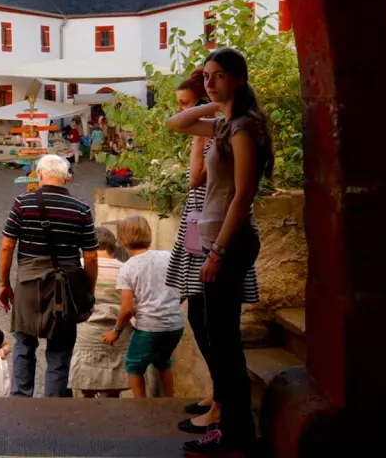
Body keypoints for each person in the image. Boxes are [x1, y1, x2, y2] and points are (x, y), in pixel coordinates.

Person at [166, 47, 273, 456]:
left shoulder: (244, 128)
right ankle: (230, 428)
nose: (210, 81)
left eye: (219, 75)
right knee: (218, 335)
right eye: (207, 76)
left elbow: (244, 192)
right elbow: (176, 123)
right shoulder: (226, 125)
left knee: (224, 341)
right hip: (211, 240)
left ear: (239, 79)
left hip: (227, 244)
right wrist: (215, 101)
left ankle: (235, 433)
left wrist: (219, 252)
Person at [0, 154, 99, 398]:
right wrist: (88, 292)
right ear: (66, 179)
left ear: (40, 175)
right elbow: (92, 257)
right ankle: (54, 406)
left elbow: (7, 246)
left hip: (29, 282)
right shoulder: (82, 209)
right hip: (66, 286)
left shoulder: (23, 203)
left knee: (24, 342)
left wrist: (4, 283)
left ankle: (21, 398)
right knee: (60, 350)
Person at [104, 216, 185, 399]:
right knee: (163, 361)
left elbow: (127, 309)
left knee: (134, 365)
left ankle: (141, 408)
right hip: (175, 325)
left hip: (149, 327)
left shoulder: (128, 268)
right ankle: (169, 402)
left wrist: (116, 331)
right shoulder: (168, 257)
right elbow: (185, 286)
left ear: (122, 238)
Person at [69, 227, 131, 397]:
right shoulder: (125, 268)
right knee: (112, 385)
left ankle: (88, 420)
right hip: (118, 331)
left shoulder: (80, 266)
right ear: (114, 246)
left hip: (86, 330)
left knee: (86, 385)